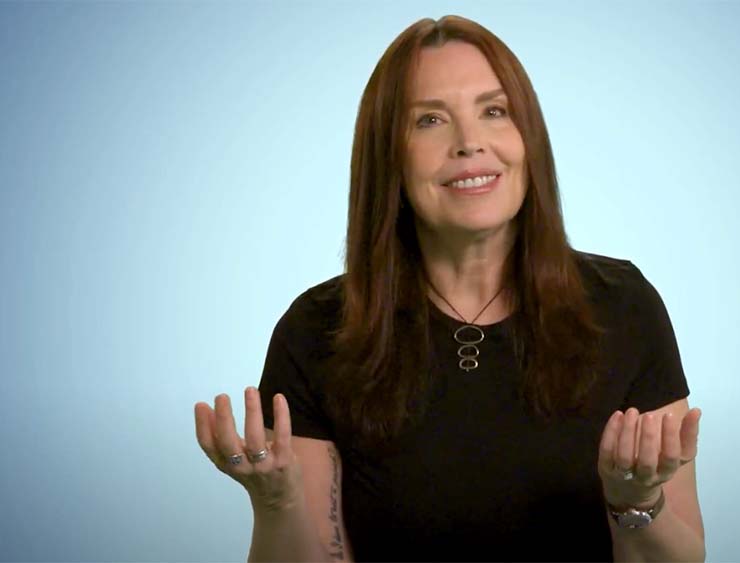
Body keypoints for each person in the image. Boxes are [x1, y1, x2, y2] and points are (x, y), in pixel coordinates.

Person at [194, 14, 705, 562]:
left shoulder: (625, 306)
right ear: (388, 155)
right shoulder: (318, 330)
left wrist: (638, 502)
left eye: (494, 111)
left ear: (527, 138)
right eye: (430, 120)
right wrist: (277, 504)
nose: (469, 144)